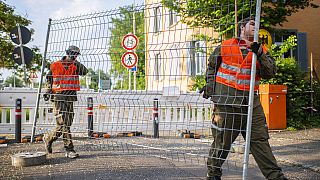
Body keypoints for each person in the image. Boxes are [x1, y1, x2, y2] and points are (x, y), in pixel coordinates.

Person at [200, 17, 288, 180]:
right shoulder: (225, 46)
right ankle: (213, 175)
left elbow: (270, 73)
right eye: (252, 24)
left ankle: (276, 177)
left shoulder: (262, 50)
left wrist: (260, 53)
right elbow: (212, 67)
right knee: (222, 143)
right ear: (242, 27)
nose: (256, 27)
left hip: (251, 104)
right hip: (227, 102)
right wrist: (210, 88)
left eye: (258, 25)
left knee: (260, 142)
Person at [43, 45, 88, 159]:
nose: (75, 56)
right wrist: (47, 91)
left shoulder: (75, 66)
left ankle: (49, 138)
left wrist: (75, 62)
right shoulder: (56, 65)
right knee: (63, 123)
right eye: (73, 54)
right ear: (68, 53)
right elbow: (49, 79)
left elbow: (85, 72)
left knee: (66, 124)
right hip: (58, 97)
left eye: (76, 54)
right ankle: (69, 149)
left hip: (70, 97)